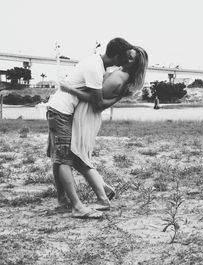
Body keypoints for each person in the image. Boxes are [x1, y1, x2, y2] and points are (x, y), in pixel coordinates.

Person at [46, 37, 133, 219]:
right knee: (63, 159)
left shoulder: (95, 63)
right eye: (123, 58)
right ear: (116, 55)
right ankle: (77, 206)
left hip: (59, 109)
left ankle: (62, 201)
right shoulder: (95, 68)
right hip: (62, 111)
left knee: (58, 157)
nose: (124, 62)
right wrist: (118, 98)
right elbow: (97, 102)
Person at [60, 46, 148, 212]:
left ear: (134, 64)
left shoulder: (119, 77)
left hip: (87, 114)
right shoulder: (120, 74)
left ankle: (103, 199)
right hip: (86, 113)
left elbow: (95, 101)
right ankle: (105, 189)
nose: (126, 57)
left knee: (79, 156)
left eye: (131, 57)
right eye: (128, 54)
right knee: (77, 155)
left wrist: (70, 89)